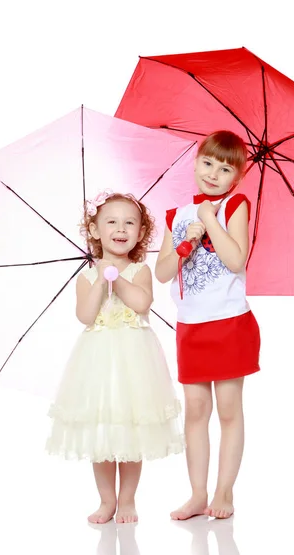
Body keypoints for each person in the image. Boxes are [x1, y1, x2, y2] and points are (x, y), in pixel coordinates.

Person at [46, 190, 184, 524]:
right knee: (102, 432)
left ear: (139, 233)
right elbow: (85, 315)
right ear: (95, 230)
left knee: (133, 430)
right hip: (98, 363)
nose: (120, 228)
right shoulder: (86, 276)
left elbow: (141, 304)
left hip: (135, 361)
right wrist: (100, 279)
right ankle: (106, 500)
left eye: (129, 223)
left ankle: (127, 500)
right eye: (111, 222)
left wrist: (117, 278)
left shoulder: (139, 270)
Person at [155, 131, 261, 520]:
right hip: (191, 326)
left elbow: (236, 260)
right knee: (196, 410)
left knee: (229, 409)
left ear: (237, 176)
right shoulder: (175, 215)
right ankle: (198, 493)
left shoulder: (235, 205)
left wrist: (208, 221)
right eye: (208, 163)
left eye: (225, 167)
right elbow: (162, 271)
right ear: (196, 162)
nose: (214, 173)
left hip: (230, 323)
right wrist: (186, 244)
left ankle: (224, 492)